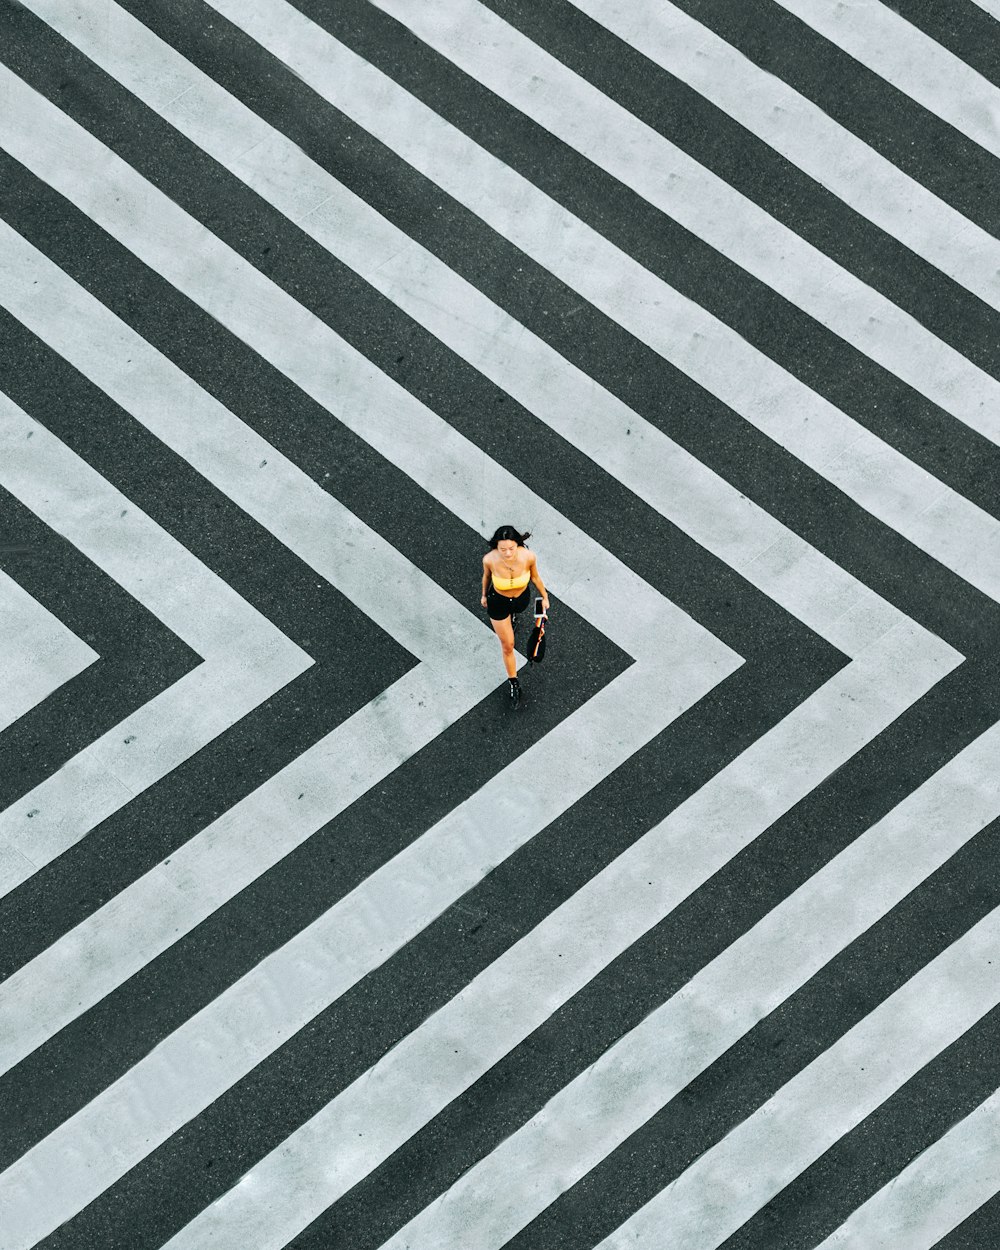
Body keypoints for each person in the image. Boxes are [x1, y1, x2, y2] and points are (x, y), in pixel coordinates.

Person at [481, 525, 550, 706]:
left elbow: (535, 577)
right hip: (498, 603)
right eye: (503, 549)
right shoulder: (490, 559)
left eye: (511, 548)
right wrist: (483, 595)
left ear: (517, 544)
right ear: (497, 546)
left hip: (520, 600)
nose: (508, 553)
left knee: (516, 613)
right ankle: (513, 681)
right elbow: (486, 578)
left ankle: (513, 617)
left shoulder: (528, 557)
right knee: (508, 645)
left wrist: (545, 597)